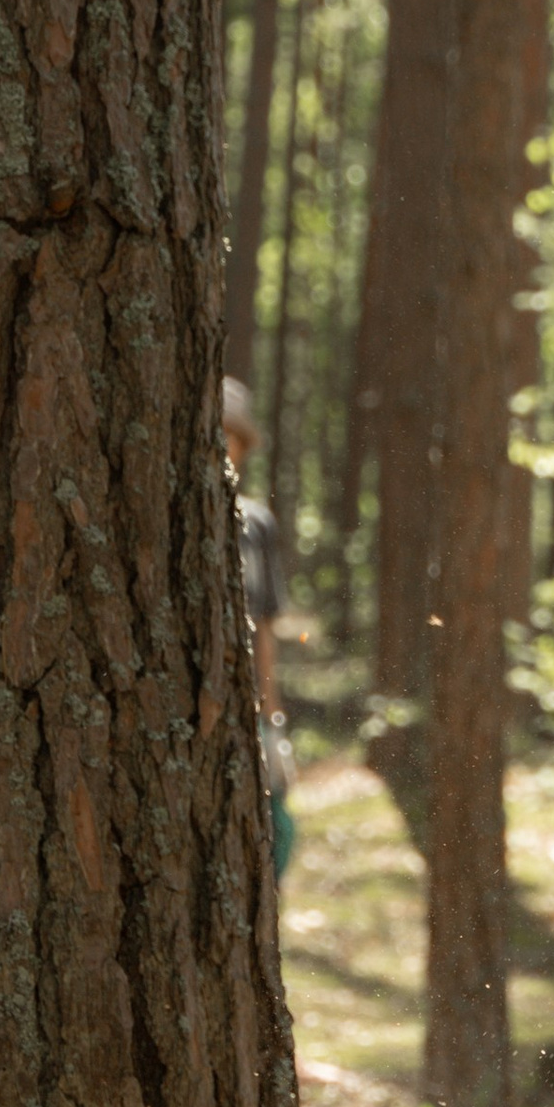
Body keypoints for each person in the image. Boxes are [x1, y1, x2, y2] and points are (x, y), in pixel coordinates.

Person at [223, 378, 297, 882]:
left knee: (276, 829)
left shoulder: (257, 524)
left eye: (231, 436)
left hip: (247, 703)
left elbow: (265, 628)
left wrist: (272, 716)